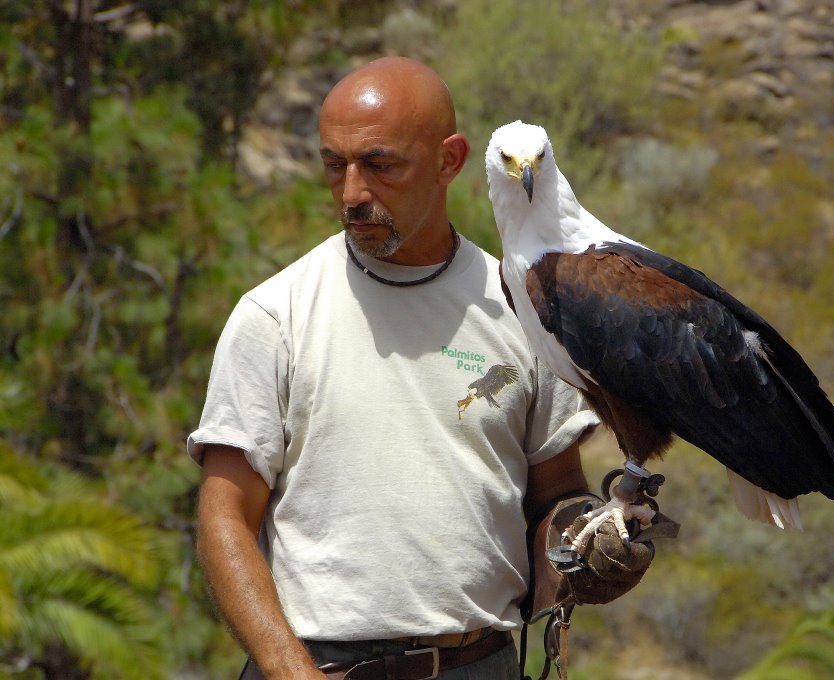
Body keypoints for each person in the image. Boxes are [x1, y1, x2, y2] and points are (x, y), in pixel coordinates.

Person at [188, 56, 603, 679]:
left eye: (380, 165)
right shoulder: (276, 315)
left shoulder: (522, 310)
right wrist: (287, 671)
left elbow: (557, 493)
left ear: (449, 160)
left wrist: (591, 544)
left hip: (480, 663)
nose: (352, 194)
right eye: (335, 166)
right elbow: (224, 520)